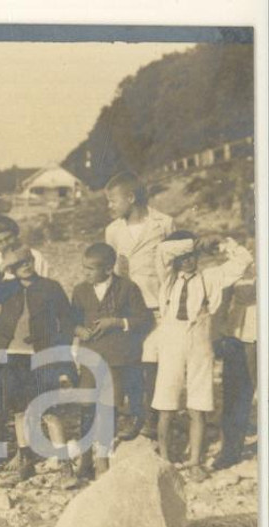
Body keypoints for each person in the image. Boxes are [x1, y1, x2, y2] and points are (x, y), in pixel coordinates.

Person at [152, 232, 252, 479]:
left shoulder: (211, 277)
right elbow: (163, 251)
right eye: (183, 257)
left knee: (199, 403)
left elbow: (244, 259)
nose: (188, 261)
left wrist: (221, 244)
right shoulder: (168, 278)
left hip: (200, 341)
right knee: (166, 403)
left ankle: (195, 461)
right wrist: (195, 243)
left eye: (192, 256)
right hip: (172, 341)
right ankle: (164, 461)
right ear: (176, 259)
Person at [0, 245, 77, 485]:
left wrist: (61, 353)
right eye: (19, 263)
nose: (25, 266)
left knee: (49, 409)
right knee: (19, 409)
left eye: (28, 261)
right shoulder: (6, 288)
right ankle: (25, 457)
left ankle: (64, 462)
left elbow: (66, 320)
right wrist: (2, 266)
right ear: (12, 267)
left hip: (42, 354)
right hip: (12, 355)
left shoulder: (50, 287)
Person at [70, 242, 152, 478]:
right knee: (86, 407)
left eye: (90, 269)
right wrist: (78, 330)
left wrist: (115, 322)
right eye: (83, 268)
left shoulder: (127, 288)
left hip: (117, 359)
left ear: (107, 269)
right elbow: (70, 319)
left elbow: (144, 319)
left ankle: (103, 458)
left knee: (107, 409)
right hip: (89, 357)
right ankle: (85, 458)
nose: (85, 273)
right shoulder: (80, 290)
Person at [104, 171, 176, 439]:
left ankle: (155, 416)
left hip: (158, 306)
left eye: (112, 200)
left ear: (131, 198)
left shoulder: (164, 223)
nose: (109, 207)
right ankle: (138, 415)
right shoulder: (113, 231)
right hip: (129, 310)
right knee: (132, 363)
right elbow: (111, 269)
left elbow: (174, 264)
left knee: (154, 364)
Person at [213, 243, 257, 470]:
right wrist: (219, 333)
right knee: (236, 393)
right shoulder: (241, 259)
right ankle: (230, 450)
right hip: (242, 332)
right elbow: (222, 302)